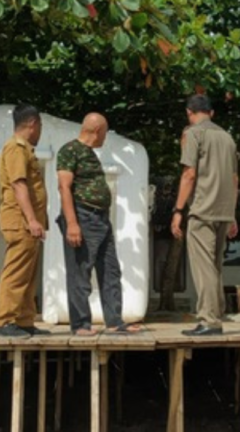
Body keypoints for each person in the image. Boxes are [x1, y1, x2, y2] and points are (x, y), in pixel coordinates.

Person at [56, 113, 140, 336]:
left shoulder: (90, 153)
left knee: (110, 270)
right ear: (97, 131)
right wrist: (72, 224)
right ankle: (81, 324)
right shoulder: (70, 150)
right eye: (104, 132)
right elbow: (64, 187)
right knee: (80, 271)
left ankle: (114, 321)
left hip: (101, 218)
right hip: (83, 217)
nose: (105, 137)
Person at [171, 94, 239, 336]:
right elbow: (234, 178)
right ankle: (215, 314)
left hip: (202, 210)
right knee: (215, 266)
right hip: (224, 210)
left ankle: (210, 320)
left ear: (189, 112)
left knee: (203, 267)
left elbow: (189, 174)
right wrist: (232, 213)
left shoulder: (193, 134)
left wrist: (178, 210)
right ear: (212, 113)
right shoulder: (227, 137)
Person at [0, 104, 51, 339]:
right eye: (40, 127)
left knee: (28, 273)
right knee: (16, 271)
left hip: (28, 222)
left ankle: (25, 320)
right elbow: (19, 185)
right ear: (33, 124)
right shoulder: (16, 148)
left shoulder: (25, 148)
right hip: (20, 220)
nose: (40, 132)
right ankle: (5, 321)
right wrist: (31, 220)